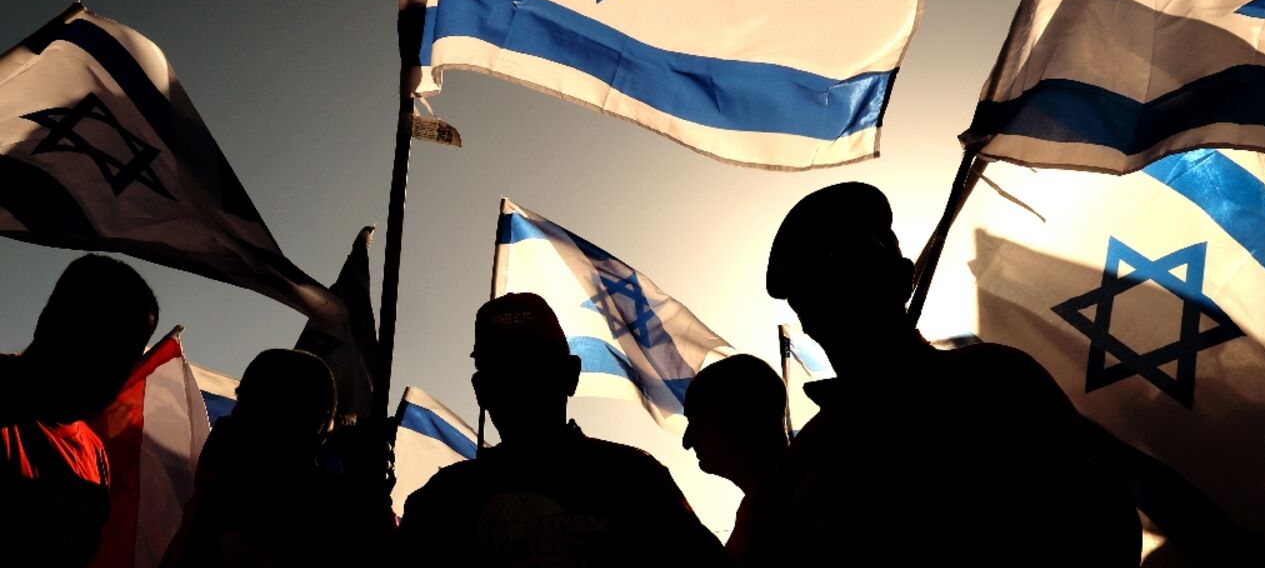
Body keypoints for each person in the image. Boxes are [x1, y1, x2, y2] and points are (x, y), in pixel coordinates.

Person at [747, 181, 1140, 567]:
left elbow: (1107, 528)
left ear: (901, 279)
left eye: (851, 264)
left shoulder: (994, 381)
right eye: (814, 282)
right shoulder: (805, 462)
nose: (832, 293)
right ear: (803, 310)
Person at [398, 292, 729, 567]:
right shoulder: (443, 501)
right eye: (504, 370)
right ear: (480, 389)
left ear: (570, 375)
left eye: (533, 366)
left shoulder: (634, 479)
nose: (520, 384)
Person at [161, 348, 394, 567]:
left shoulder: (336, 518)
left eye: (264, 405)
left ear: (313, 423)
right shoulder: (218, 493)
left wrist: (372, 506)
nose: (238, 415)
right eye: (244, 401)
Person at [0, 254, 159, 567]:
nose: (109, 374)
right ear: (49, 323)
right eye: (99, 345)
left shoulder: (94, 453)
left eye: (125, 359)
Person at [682, 354, 787, 563]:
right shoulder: (762, 509)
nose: (687, 441)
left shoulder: (812, 503)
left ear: (739, 413)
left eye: (696, 420)